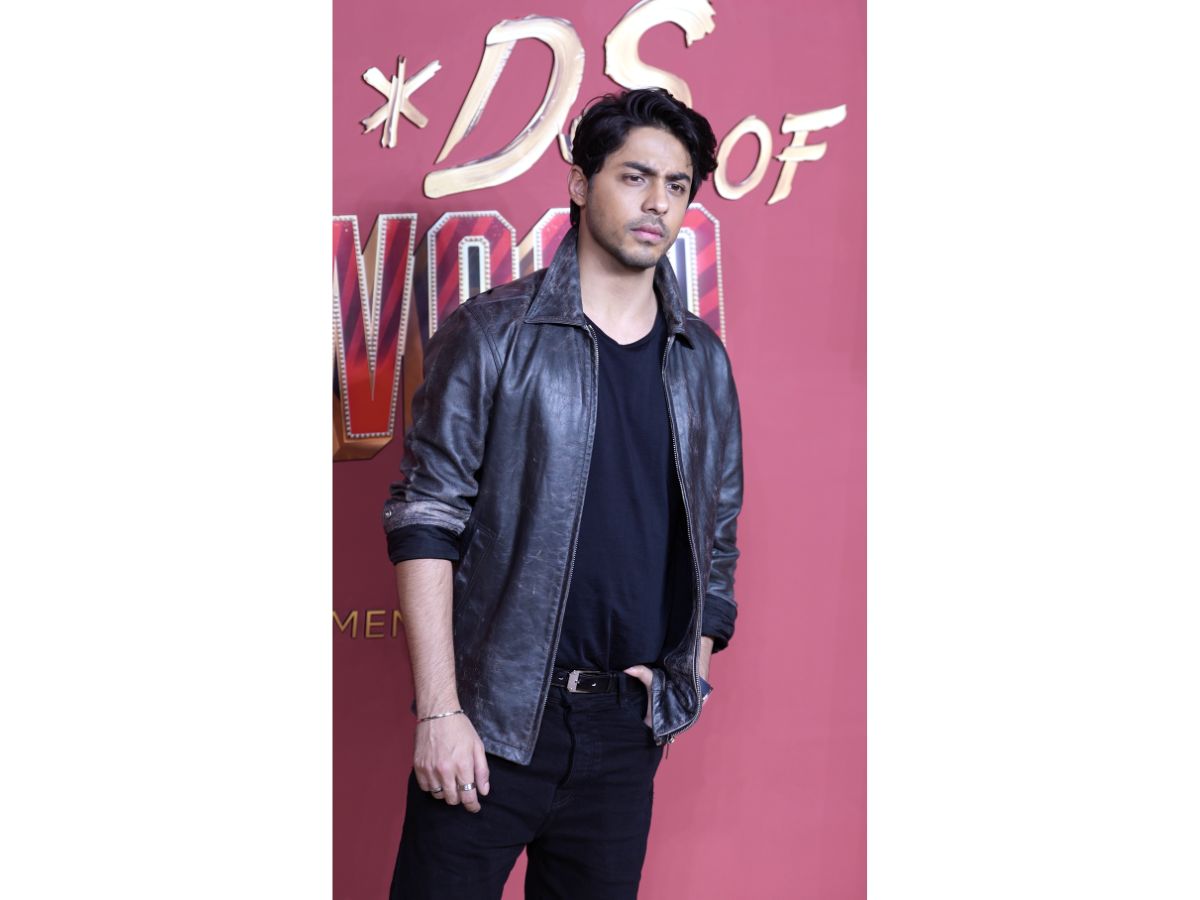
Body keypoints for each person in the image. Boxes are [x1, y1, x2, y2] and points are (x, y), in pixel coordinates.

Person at [381, 87, 743, 900]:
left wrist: (684, 681)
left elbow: (717, 534)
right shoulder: (493, 333)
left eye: (677, 185)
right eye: (634, 177)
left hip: (624, 728)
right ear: (580, 183)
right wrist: (440, 712)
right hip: (491, 721)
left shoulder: (701, 359)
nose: (657, 203)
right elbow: (427, 516)